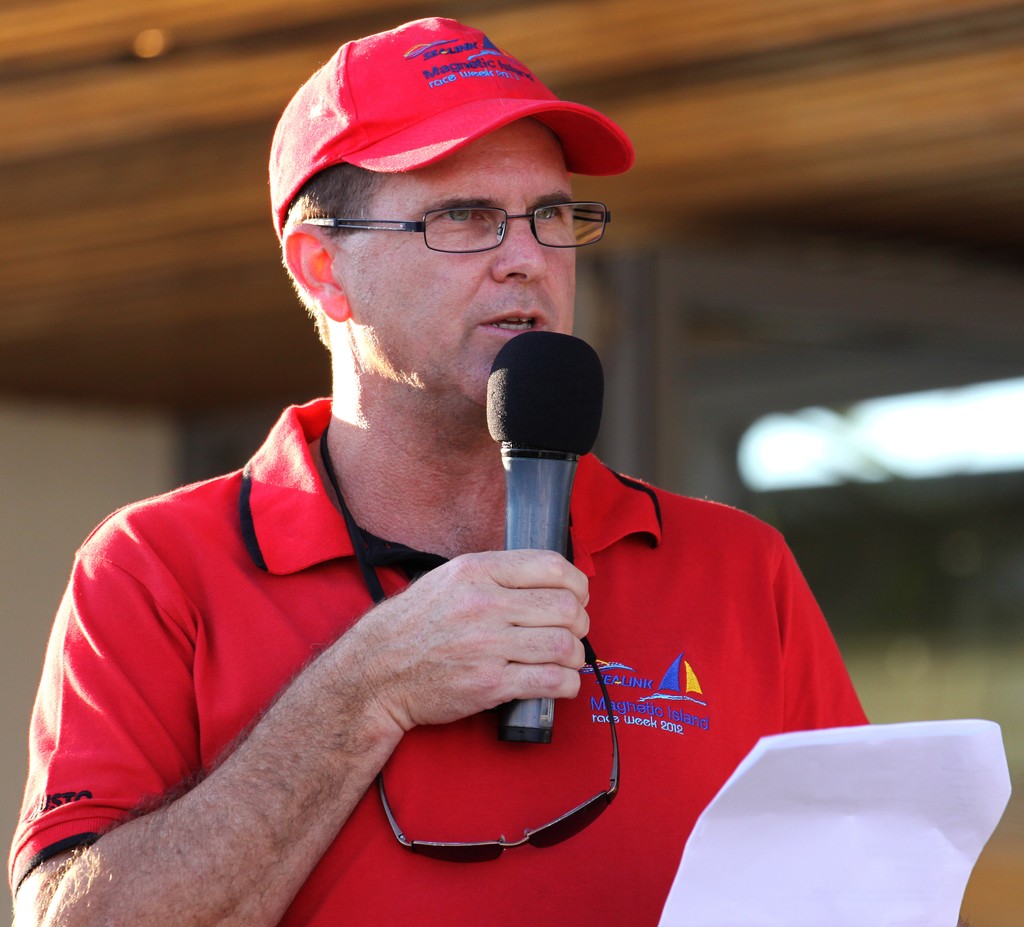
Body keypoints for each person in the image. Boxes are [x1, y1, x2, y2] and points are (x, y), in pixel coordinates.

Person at [9, 17, 866, 927]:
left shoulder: (738, 568)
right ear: (323, 269)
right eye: (464, 216)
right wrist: (365, 688)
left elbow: (876, 885)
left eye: (551, 215)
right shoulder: (154, 567)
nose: (528, 258)